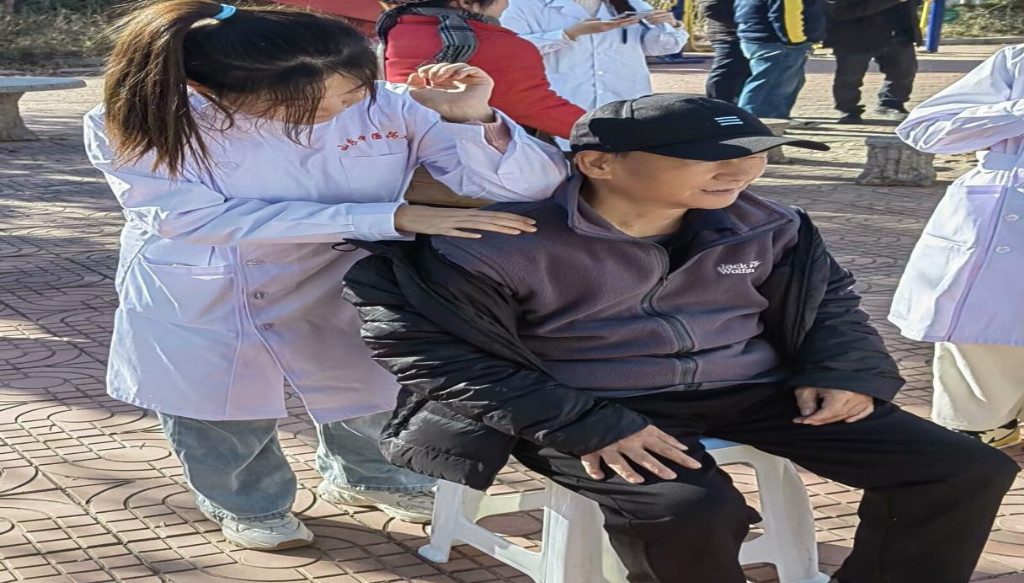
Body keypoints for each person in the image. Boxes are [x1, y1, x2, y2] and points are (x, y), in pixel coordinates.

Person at [343, 95, 1018, 583]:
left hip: (750, 388)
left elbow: (829, 303)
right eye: (709, 157)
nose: (742, 169)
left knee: (963, 468)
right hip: (582, 404)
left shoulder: (768, 223)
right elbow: (435, 354)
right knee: (691, 509)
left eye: (755, 153)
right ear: (599, 162)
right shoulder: (500, 241)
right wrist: (587, 424)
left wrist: (845, 371)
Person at [84, 0, 567, 551]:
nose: (344, 109)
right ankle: (246, 501)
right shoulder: (140, 120)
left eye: (355, 90)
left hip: (339, 269)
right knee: (219, 407)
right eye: (311, 104)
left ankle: (369, 475)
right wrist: (391, 217)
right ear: (213, 92)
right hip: (211, 280)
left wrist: (471, 118)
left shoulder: (390, 105)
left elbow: (533, 184)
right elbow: (193, 219)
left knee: (366, 387)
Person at [890, 44, 1024, 448]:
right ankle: (981, 432)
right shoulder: (1016, 62)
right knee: (981, 334)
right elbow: (923, 129)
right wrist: (1017, 111)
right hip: (1003, 222)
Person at [379, 0, 586, 140]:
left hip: (401, 160)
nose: (507, 4)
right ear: (466, 2)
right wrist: (601, 131)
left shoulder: (393, 33)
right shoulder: (500, 45)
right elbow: (540, 110)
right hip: (466, 173)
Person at [501, 0, 687, 147]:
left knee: (622, 162)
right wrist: (567, 35)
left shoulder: (632, 4)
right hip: (562, 102)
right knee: (564, 164)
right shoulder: (523, 5)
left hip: (624, 99)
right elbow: (508, 48)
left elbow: (662, 47)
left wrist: (670, 25)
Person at [824, 0, 921, 124]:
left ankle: (892, 104)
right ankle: (848, 109)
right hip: (855, 35)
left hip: (898, 33)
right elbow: (842, 11)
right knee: (849, 76)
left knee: (904, 71)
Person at [734, 0, 826, 119]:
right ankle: (757, 122)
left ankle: (765, 121)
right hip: (778, 42)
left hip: (756, 37)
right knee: (771, 88)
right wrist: (796, 42)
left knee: (767, 84)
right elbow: (787, 15)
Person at [700, 0, 750, 104]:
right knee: (727, 76)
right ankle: (718, 108)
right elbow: (711, 6)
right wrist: (746, 24)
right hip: (729, 36)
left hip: (750, 34)